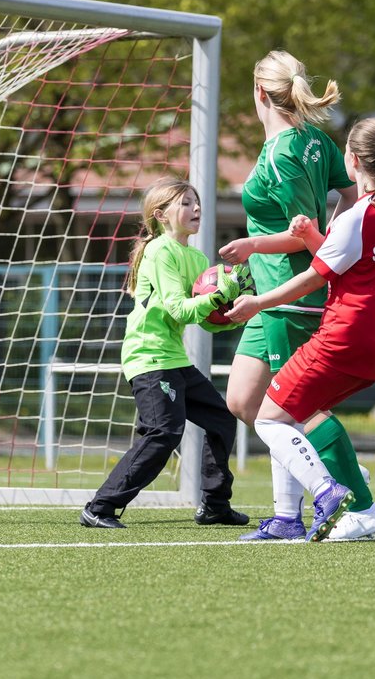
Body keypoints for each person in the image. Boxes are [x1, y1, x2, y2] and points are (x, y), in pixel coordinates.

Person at [226, 117, 375, 541]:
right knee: (302, 411)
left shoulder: (357, 216)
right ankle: (311, 507)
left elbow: (315, 277)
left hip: (343, 338)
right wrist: (310, 236)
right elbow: (345, 260)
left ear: (352, 159)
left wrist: (257, 302)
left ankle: (342, 497)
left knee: (270, 419)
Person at [218, 50, 375, 542]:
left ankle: (332, 489)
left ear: (259, 93)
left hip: (288, 292)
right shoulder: (314, 140)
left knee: (292, 406)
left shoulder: (286, 150)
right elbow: (348, 195)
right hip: (265, 291)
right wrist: (332, 234)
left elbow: (297, 232)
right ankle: (300, 502)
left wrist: (252, 245)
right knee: (245, 400)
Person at [80, 177, 251, 530]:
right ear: (161, 215)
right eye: (186, 203)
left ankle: (215, 505)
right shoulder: (159, 251)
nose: (196, 208)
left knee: (221, 419)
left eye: (197, 201)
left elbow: (202, 318)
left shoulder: (197, 257)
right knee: (163, 432)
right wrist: (219, 296)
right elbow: (177, 309)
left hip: (173, 359)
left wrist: (232, 315)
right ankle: (100, 507)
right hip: (149, 357)